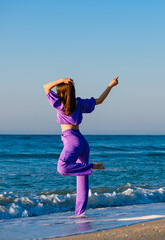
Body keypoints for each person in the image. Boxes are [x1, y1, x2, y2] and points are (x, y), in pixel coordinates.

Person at [43, 76, 119, 217]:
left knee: (62, 167)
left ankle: (92, 166)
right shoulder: (78, 103)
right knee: (82, 180)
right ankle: (80, 213)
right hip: (82, 141)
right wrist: (111, 85)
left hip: (72, 140)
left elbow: (46, 87)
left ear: (61, 91)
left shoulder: (60, 104)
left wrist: (61, 80)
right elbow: (100, 100)